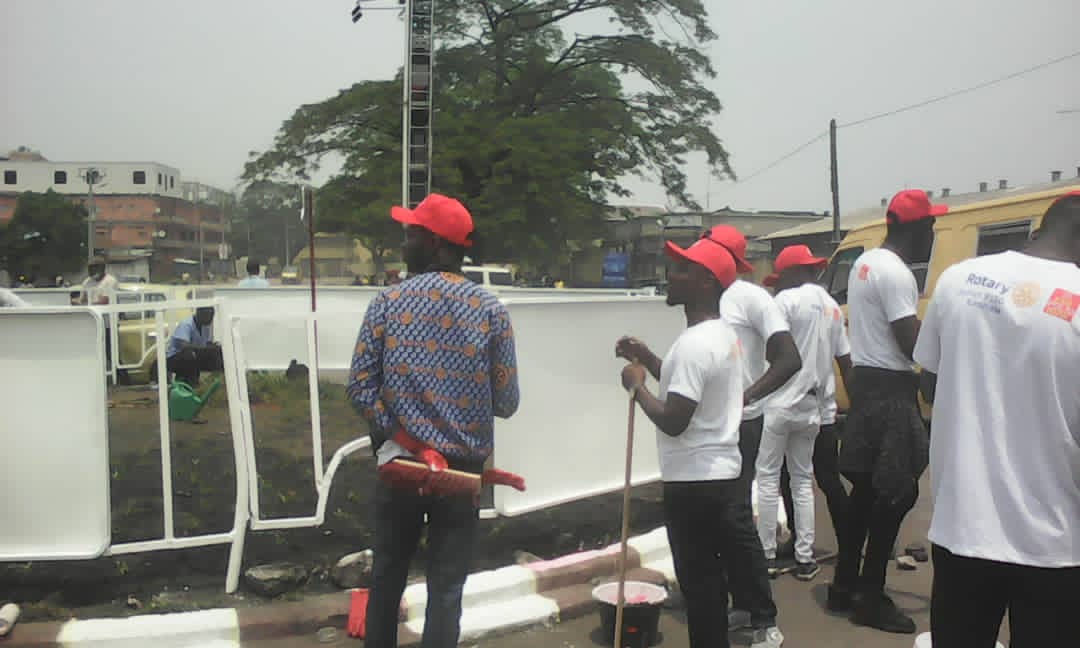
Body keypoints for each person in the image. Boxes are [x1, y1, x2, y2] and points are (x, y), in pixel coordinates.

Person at [348, 193, 520, 648]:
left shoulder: (387, 303)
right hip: (462, 475)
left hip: (401, 464)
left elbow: (360, 387)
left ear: (436, 244)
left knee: (387, 576)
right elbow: (507, 402)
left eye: (412, 235)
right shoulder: (491, 311)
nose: (404, 244)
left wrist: (401, 432)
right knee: (446, 587)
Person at [914, 191, 1080, 646]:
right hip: (1056, 544)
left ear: (1040, 230)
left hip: (963, 529)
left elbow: (929, 386)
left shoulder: (958, 280)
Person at [616, 236, 784, 648]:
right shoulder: (721, 336)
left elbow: (675, 420)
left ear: (706, 282)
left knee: (702, 589)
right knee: (709, 586)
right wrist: (649, 358)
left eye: (682, 269)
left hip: (693, 484)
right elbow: (689, 390)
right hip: (718, 478)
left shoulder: (695, 344)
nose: (671, 275)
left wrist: (636, 387)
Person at [832, 189, 937, 634]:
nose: (933, 234)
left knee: (866, 493)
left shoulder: (866, 262)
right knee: (896, 495)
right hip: (892, 391)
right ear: (917, 228)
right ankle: (870, 596)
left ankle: (844, 585)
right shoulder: (897, 273)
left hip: (867, 385)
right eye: (931, 226)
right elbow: (910, 343)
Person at [703, 225, 801, 630]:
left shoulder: (751, 298)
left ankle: (760, 614)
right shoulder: (707, 298)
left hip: (742, 425)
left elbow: (788, 359)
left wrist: (746, 395)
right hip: (710, 424)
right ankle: (734, 599)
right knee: (720, 516)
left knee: (736, 516)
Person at [756, 246, 853, 583]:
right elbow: (845, 359)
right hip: (814, 408)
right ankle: (805, 557)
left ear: (793, 272)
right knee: (802, 482)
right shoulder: (832, 308)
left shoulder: (786, 301)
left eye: (780, 278)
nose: (777, 286)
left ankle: (766, 555)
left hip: (781, 403)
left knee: (768, 479)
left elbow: (771, 351)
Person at [166, 306, 222, 386]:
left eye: (212, 316)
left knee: (218, 353)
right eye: (208, 316)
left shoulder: (206, 326)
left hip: (193, 355)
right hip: (174, 359)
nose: (211, 319)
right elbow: (184, 346)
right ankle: (188, 383)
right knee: (190, 354)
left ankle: (217, 382)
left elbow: (207, 343)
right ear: (199, 314)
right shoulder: (186, 324)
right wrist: (206, 348)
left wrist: (215, 347)